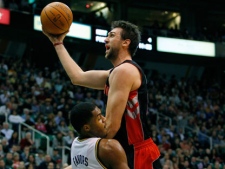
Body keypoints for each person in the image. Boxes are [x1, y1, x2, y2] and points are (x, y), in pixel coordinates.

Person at [42, 20, 160, 169]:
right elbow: (77, 77)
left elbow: (110, 128)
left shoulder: (124, 71)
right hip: (123, 150)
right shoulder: (115, 73)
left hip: (135, 153)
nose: (105, 39)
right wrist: (58, 43)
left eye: (111, 35)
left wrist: (83, 158)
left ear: (126, 43)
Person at [64, 102, 129, 169]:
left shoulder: (75, 144)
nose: (104, 119)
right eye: (99, 118)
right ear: (86, 128)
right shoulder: (109, 147)